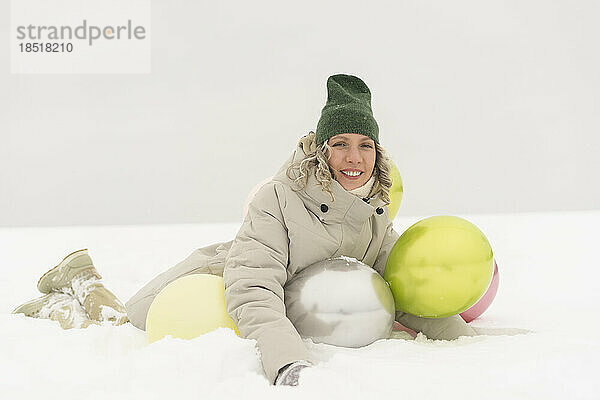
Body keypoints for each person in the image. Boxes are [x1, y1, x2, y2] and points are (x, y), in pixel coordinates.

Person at [13, 74, 477, 386]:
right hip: (209, 292)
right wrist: (285, 360)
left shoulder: (373, 211)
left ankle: (81, 279)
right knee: (116, 326)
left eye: (364, 145)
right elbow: (253, 288)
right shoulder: (277, 199)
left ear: (378, 153)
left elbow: (396, 284)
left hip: (260, 304)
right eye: (339, 144)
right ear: (320, 149)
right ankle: (71, 289)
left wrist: (458, 333)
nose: (353, 159)